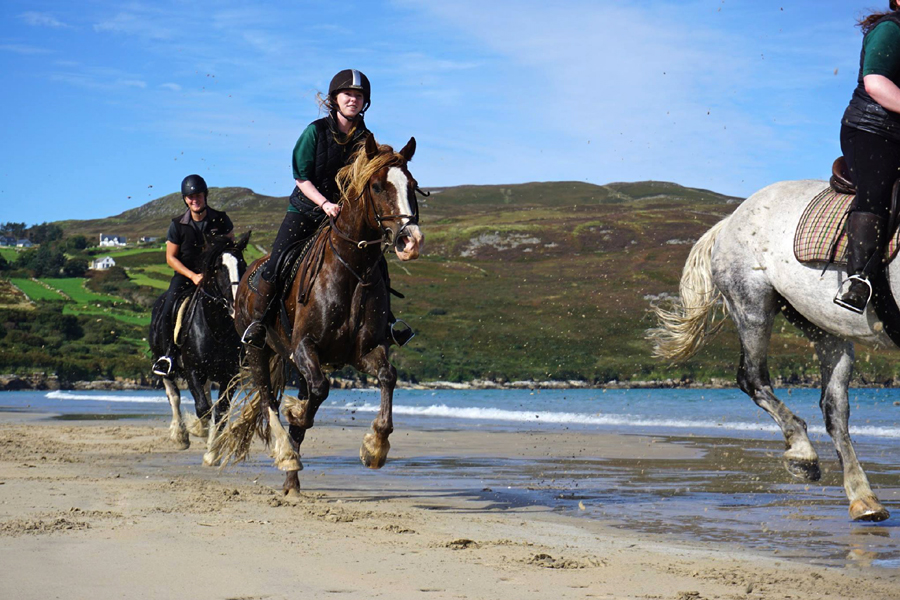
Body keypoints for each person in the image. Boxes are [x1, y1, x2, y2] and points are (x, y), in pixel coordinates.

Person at [241, 69, 413, 348]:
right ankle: (259, 323)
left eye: (358, 96)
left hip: (343, 216)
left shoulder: (365, 139)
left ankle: (388, 323)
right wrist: (324, 203)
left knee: (377, 265)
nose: (353, 100)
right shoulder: (315, 132)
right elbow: (301, 176)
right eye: (348, 95)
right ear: (335, 99)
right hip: (306, 210)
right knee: (277, 262)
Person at [835, 1, 900, 313]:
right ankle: (859, 280)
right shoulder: (891, 29)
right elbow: (876, 83)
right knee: (877, 192)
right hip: (872, 130)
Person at [152, 174, 234, 376]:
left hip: (215, 276)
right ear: (185, 200)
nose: (194, 200)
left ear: (205, 196)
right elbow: (171, 258)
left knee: (238, 301)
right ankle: (169, 356)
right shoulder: (177, 225)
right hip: (186, 276)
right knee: (168, 307)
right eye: (190, 197)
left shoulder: (221, 220)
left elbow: (231, 249)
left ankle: (243, 350)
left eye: (197, 195)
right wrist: (193, 276)